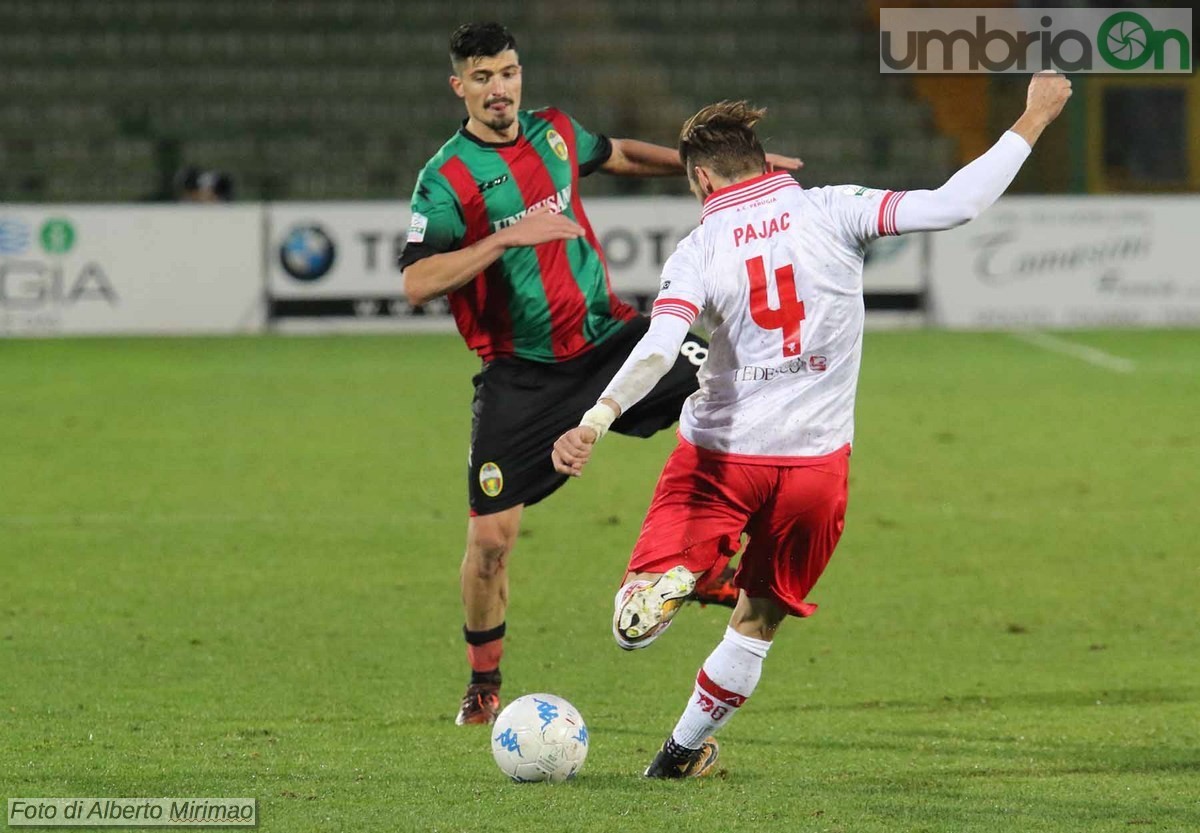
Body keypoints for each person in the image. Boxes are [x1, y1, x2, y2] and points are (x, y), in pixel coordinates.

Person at [552, 73, 1072, 777]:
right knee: (760, 621)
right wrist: (1035, 114)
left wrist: (597, 417)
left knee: (630, 622)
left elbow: (657, 346)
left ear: (702, 179)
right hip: (816, 469)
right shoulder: (836, 207)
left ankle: (677, 574)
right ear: (767, 165)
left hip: (721, 460)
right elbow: (959, 204)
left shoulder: (700, 249)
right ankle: (678, 754)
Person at [397, 22, 802, 726]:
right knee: (490, 543)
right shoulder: (446, 179)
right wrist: (502, 237)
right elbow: (416, 282)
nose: (501, 89)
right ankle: (484, 683)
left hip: (614, 340)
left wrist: (730, 178)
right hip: (521, 377)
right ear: (459, 85)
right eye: (484, 77)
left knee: (741, 383)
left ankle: (710, 561)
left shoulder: (553, 132)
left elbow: (616, 155)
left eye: (510, 72)